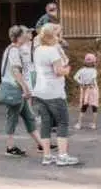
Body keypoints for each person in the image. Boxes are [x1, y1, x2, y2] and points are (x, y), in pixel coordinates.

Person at [32, 23, 80, 166]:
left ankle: (47, 156)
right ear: (53, 36)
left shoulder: (38, 49)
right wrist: (68, 70)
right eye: (57, 34)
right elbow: (58, 71)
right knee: (62, 122)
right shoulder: (52, 51)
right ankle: (62, 156)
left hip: (40, 91)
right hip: (54, 91)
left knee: (45, 124)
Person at [0, 25, 42, 157]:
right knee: (12, 117)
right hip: (14, 88)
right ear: (19, 37)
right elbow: (16, 71)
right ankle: (10, 147)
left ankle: (41, 144)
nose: (27, 35)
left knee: (29, 117)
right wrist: (25, 88)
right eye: (24, 33)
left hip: (15, 88)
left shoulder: (13, 49)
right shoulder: (14, 50)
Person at [73, 53, 100, 130]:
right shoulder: (94, 71)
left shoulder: (81, 70)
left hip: (84, 90)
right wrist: (90, 84)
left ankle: (79, 124)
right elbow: (93, 79)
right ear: (93, 62)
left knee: (83, 107)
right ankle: (94, 124)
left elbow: (75, 77)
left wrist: (81, 82)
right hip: (92, 89)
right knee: (94, 107)